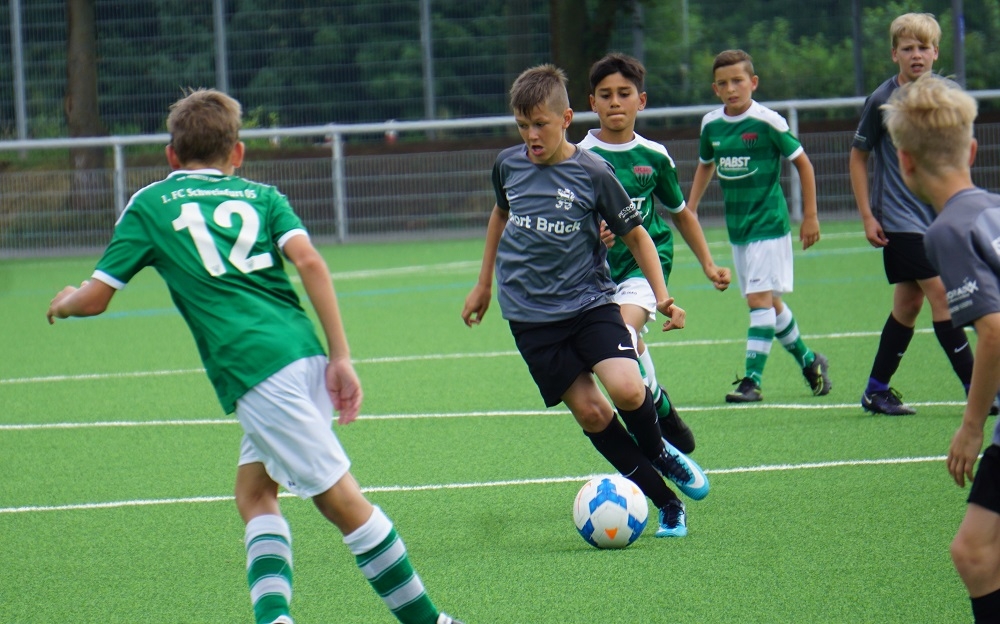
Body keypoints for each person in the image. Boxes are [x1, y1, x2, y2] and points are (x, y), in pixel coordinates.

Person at [46, 89, 461, 624]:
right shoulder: (263, 196)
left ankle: (431, 622)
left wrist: (66, 301)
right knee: (255, 492)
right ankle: (273, 618)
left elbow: (96, 299)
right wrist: (340, 356)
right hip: (301, 352)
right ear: (237, 153)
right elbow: (310, 263)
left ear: (171, 155)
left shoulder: (150, 203)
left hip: (254, 368)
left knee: (341, 501)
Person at [461, 64, 709, 538]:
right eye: (522, 125)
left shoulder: (593, 172)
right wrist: (484, 284)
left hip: (589, 304)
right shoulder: (507, 166)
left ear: (567, 118)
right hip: (530, 319)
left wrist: (663, 297)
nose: (531, 136)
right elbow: (500, 214)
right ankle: (667, 504)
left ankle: (659, 450)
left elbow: (637, 236)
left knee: (628, 390)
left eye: (540, 124)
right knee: (593, 413)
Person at [886, 73, 1000, 624]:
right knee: (975, 551)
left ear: (904, 163)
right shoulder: (993, 209)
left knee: (975, 552)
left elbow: (994, 331)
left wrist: (972, 426)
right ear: (971, 150)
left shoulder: (948, 231)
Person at [579, 52, 731, 452]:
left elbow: (680, 213)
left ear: (641, 101)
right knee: (613, 348)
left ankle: (650, 422)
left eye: (624, 93)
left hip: (644, 267)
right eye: (605, 95)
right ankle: (659, 403)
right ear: (592, 102)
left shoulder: (654, 156)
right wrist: (591, 235)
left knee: (622, 333)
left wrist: (708, 264)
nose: (615, 102)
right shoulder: (577, 158)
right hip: (594, 275)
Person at [849, 12, 980, 417]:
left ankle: (876, 390)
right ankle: (980, 390)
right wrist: (868, 215)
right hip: (900, 220)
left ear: (936, 51)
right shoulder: (882, 100)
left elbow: (960, 150)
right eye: (907, 48)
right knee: (943, 296)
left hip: (941, 216)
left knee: (908, 305)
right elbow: (858, 156)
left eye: (924, 47)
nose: (916, 55)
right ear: (894, 55)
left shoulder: (947, 95)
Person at [686, 49, 830, 403]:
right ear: (715, 89)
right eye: (723, 83)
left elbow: (804, 164)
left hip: (769, 224)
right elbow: (706, 163)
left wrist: (810, 216)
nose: (731, 89)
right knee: (771, 304)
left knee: (758, 300)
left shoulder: (769, 122)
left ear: (753, 82)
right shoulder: (711, 125)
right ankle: (810, 361)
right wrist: (691, 207)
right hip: (739, 229)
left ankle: (752, 381)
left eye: (738, 81)